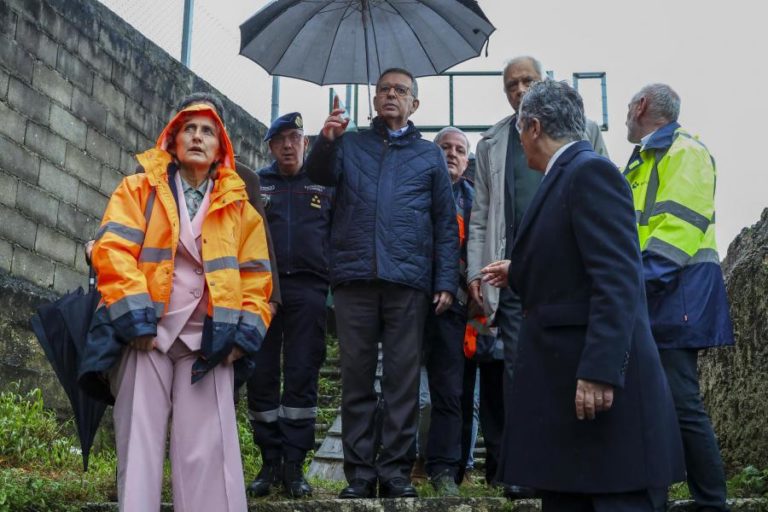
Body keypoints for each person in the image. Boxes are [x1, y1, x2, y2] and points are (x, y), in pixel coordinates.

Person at [481, 79, 684, 511]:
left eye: (520, 131)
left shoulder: (590, 172)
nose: (520, 142)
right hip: (566, 398)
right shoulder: (565, 175)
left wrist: (600, 370)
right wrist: (520, 270)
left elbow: (618, 278)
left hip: (598, 393)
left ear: (534, 127)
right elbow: (574, 262)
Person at [88, 102, 273, 511]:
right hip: (147, 335)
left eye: (208, 132)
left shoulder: (241, 209)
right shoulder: (137, 189)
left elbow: (257, 278)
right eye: (189, 129)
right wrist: (136, 321)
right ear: (172, 140)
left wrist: (241, 337)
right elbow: (113, 250)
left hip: (209, 342)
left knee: (209, 457)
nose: (197, 137)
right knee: (138, 444)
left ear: (220, 149)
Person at [305, 67, 459, 499]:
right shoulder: (350, 143)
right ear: (374, 99)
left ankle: (394, 472)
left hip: (408, 281)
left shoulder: (429, 155)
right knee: (356, 379)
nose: (391, 94)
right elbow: (318, 175)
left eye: (400, 90)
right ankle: (358, 475)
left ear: (415, 103)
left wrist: (445, 280)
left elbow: (445, 224)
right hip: (354, 277)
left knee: (402, 382)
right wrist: (326, 140)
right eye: (384, 89)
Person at [466, 57, 608, 494]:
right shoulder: (492, 142)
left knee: (565, 366)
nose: (519, 89)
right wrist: (475, 271)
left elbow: (604, 192)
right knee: (518, 371)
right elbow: (480, 214)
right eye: (511, 84)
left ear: (543, 81)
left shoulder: (584, 130)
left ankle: (573, 463)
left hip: (568, 275)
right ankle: (525, 469)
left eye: (527, 80)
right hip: (513, 276)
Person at [624, 83, 735, 511]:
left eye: (628, 108)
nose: (627, 116)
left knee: (681, 401)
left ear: (641, 106)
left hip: (674, 292)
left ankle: (711, 502)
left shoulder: (683, 151)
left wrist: (635, 284)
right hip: (660, 292)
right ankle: (664, 496)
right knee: (657, 402)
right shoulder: (649, 158)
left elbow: (679, 228)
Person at [246, 112, 334, 498]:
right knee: (261, 373)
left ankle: (294, 465)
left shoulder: (323, 182)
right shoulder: (257, 184)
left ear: (306, 143)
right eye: (280, 139)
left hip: (309, 290)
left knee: (302, 373)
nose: (287, 145)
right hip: (264, 289)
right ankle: (269, 461)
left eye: (295, 138)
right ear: (270, 147)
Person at [412, 127, 474, 495]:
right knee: (399, 387)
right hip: (410, 302)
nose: (452, 154)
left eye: (460, 149)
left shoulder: (476, 201)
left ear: (467, 160)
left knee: (450, 391)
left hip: (455, 307)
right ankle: (396, 464)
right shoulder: (415, 190)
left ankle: (444, 470)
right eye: (445, 147)